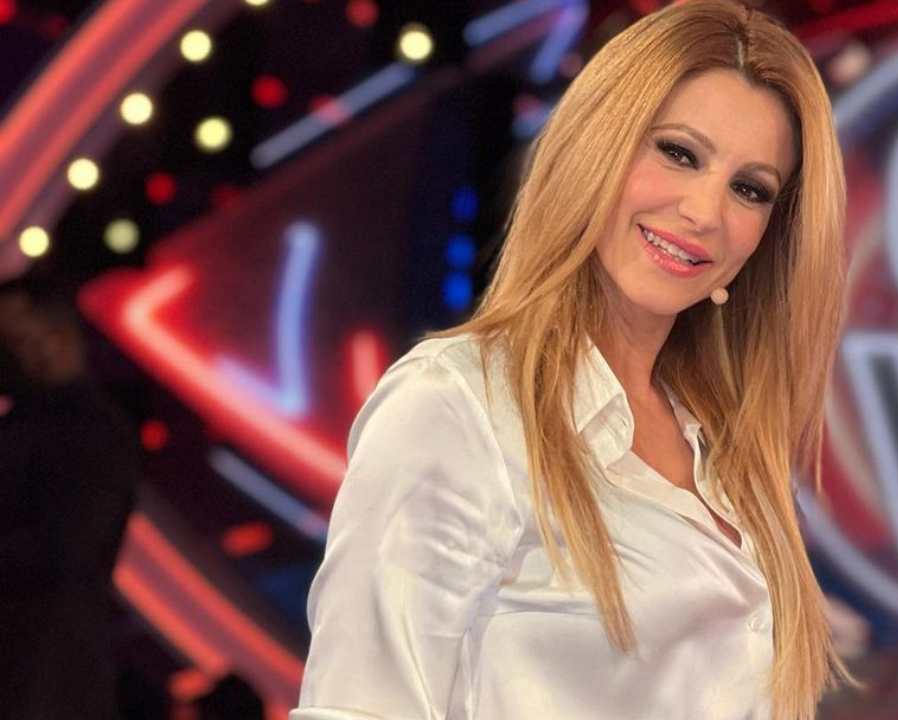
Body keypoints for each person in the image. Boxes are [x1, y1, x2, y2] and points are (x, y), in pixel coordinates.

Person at [292, 2, 852, 718]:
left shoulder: (724, 452)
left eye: (750, 189)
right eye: (679, 153)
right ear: (596, 145)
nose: (705, 212)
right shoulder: (457, 407)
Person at [0, 280, 141, 719]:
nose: (17, 354)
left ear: (61, 335)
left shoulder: (91, 431)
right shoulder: (33, 423)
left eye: (21, 338)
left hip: (40, 671)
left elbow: (66, 546)